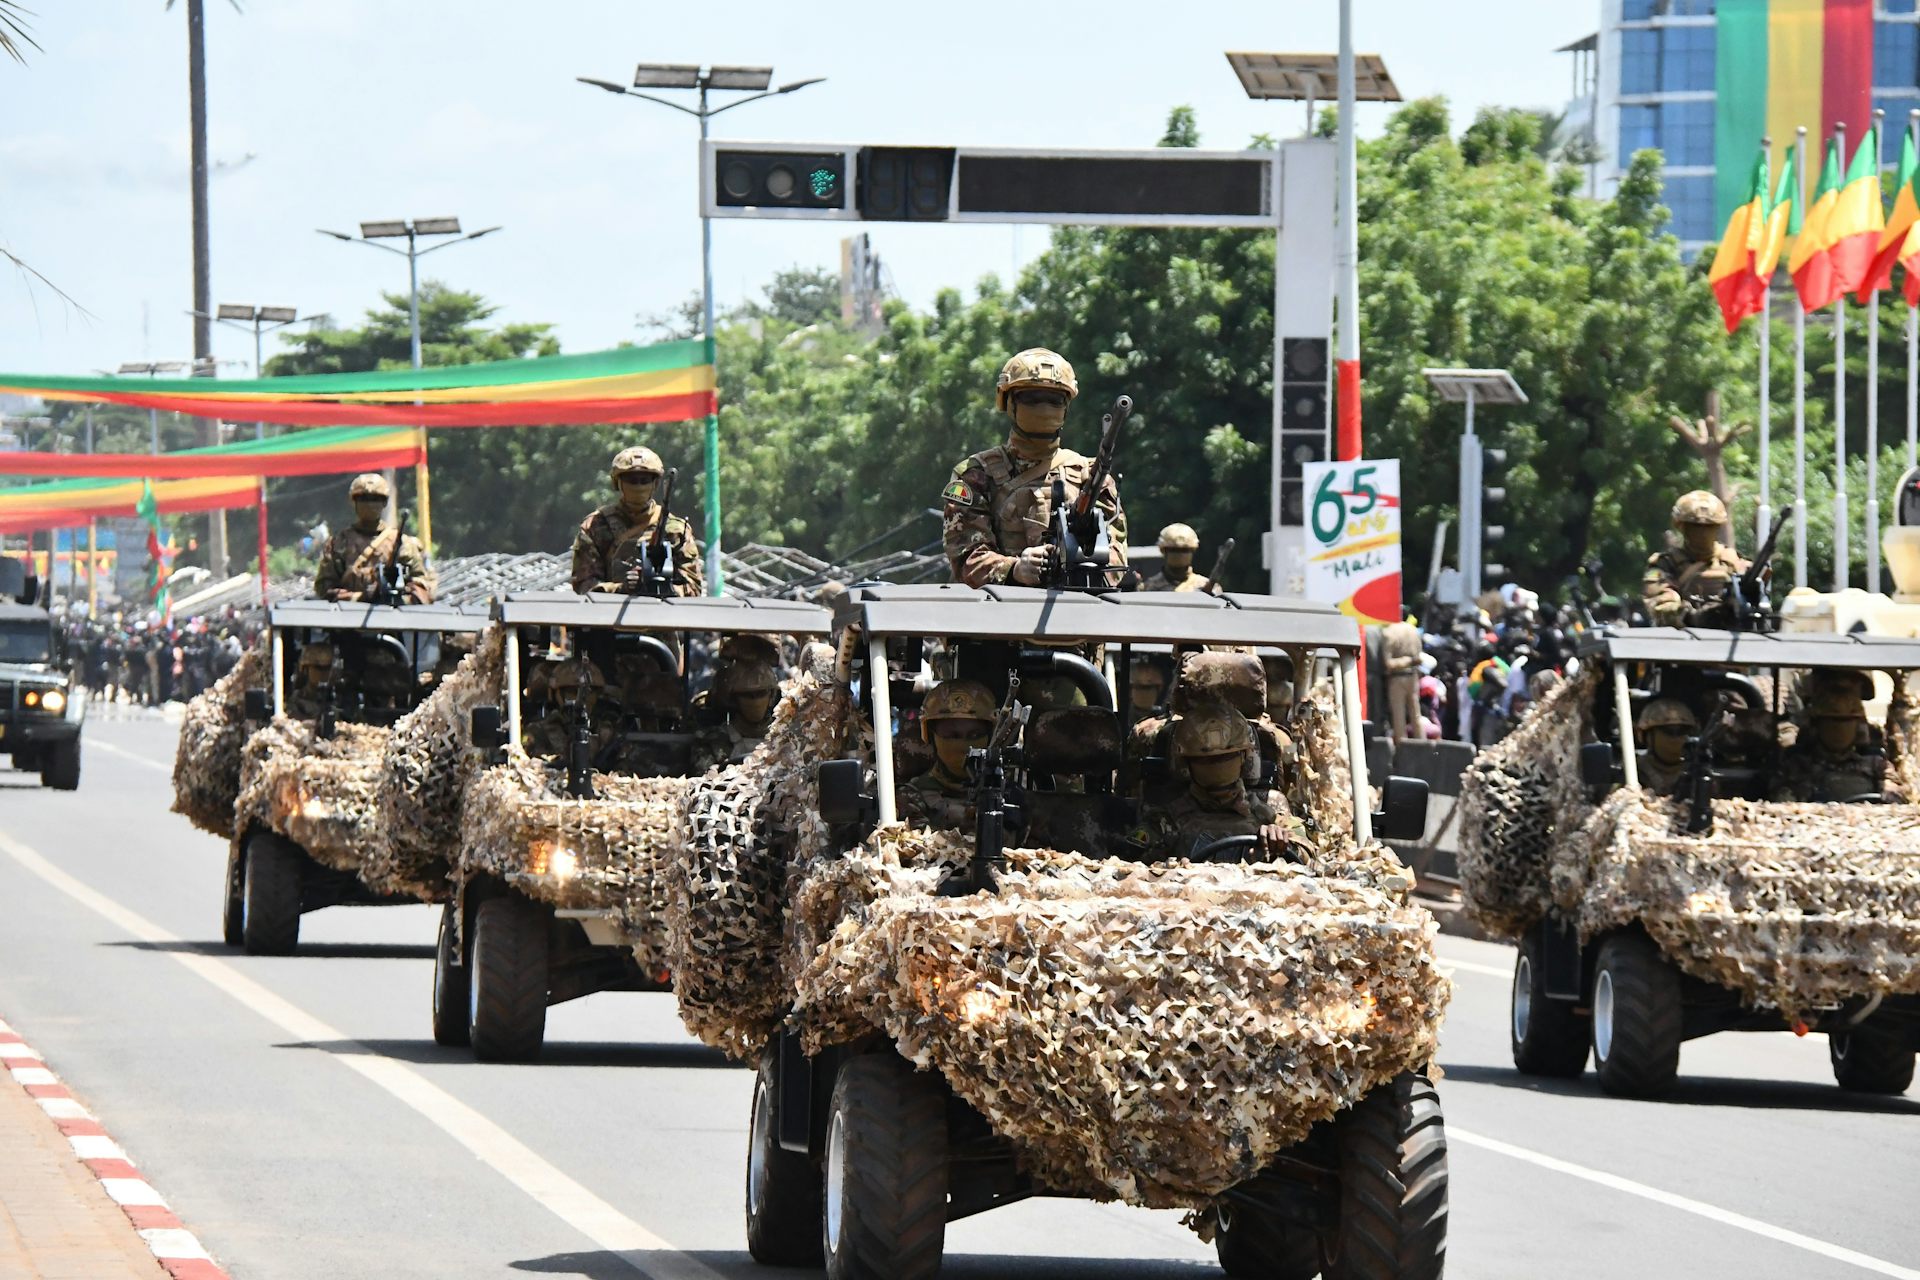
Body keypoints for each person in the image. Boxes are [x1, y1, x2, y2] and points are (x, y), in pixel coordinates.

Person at [941, 348, 1127, 588]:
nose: (1043, 406)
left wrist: (1081, 565)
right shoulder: (974, 475)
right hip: (999, 613)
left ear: (1066, 406)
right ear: (1008, 402)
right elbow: (965, 557)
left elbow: (1116, 556)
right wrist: (1014, 569)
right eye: (1031, 398)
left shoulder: (1092, 476)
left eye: (1054, 399)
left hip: (1080, 610)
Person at [1136, 703, 1307, 862]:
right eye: (1206, 760)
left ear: (1245, 758)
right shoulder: (1167, 817)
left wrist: (1282, 842)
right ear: (1186, 763)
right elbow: (1131, 857)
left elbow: (1306, 854)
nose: (1217, 768)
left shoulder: (1270, 807)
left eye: (1226, 758)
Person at [571, 446, 704, 597]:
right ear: (618, 483)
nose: (638, 486)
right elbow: (583, 586)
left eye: (644, 480)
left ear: (655, 483)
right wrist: (622, 588)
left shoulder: (675, 530)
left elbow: (693, 588)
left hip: (664, 615)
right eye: (631, 480)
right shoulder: (596, 526)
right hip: (608, 615)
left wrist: (662, 587)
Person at [311, 473, 435, 604]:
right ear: (353, 501)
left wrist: (395, 598)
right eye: (363, 498)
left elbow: (423, 589)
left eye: (376, 498)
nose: (369, 503)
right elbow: (325, 589)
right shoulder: (339, 544)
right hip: (350, 618)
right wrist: (362, 597)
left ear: (385, 502)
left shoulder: (404, 544)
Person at [899, 679, 996, 831]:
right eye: (952, 735)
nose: (964, 745)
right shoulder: (909, 797)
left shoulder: (1012, 798)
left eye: (975, 735)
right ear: (931, 737)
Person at [1643, 491, 1750, 628]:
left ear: (1718, 526)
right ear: (1681, 525)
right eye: (1695, 526)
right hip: (1682, 641)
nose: (1702, 533)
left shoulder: (1734, 561)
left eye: (1709, 526)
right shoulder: (1665, 563)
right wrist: (1691, 616)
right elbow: (1660, 605)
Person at [1773, 681, 1889, 802]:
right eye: (1832, 721)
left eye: (1847, 721)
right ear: (1817, 725)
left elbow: (1896, 798)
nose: (1839, 729)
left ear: (1858, 726)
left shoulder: (1877, 766)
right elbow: (1782, 803)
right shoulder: (1794, 766)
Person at [691, 658, 780, 770]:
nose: (756, 701)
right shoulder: (713, 742)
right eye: (748, 695)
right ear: (733, 699)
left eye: (761, 693)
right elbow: (702, 780)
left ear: (771, 696)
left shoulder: (784, 738)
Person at [1634, 698, 1698, 797]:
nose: (1676, 738)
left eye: (1682, 731)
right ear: (1647, 736)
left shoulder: (1697, 772)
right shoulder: (1633, 770)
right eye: (1669, 731)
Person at [1380, 620, 1423, 740]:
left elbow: (1388, 663)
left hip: (1397, 678)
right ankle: (1423, 745)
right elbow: (1419, 656)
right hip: (1413, 677)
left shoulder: (1389, 632)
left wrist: (1406, 661)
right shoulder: (1413, 630)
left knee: (1398, 716)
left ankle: (1402, 748)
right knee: (1416, 714)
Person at [1144, 524, 1209, 593]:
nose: (1179, 554)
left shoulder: (1204, 585)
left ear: (1193, 550)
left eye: (1184, 550)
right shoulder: (1148, 587)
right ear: (1163, 551)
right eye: (1173, 550)